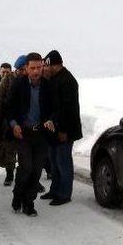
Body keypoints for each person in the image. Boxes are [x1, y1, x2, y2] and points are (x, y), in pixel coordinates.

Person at [7, 52, 55, 216]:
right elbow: (10, 108)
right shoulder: (18, 84)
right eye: (32, 68)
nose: (36, 71)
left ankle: (29, 202)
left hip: (41, 135)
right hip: (23, 134)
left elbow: (54, 109)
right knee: (26, 168)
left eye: (39, 67)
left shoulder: (48, 86)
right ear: (26, 68)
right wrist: (14, 125)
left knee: (36, 171)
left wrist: (51, 120)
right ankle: (17, 196)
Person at [40, 50, 82, 206]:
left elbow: (69, 109)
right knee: (54, 161)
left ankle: (64, 194)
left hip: (65, 130)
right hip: (54, 130)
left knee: (63, 162)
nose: (44, 68)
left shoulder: (67, 81)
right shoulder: (55, 79)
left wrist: (65, 131)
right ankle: (55, 190)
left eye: (46, 65)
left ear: (53, 65)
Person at [0, 55, 26, 186]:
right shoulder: (8, 79)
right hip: (9, 119)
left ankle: (26, 177)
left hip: (25, 120)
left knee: (25, 150)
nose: (23, 72)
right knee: (9, 148)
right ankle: (10, 175)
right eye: (20, 69)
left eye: (24, 69)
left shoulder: (30, 79)